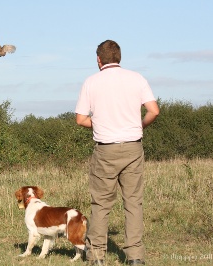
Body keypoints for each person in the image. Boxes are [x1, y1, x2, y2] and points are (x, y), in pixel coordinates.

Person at [75, 40, 159, 266]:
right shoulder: (137, 78)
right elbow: (154, 111)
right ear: (119, 57)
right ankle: (135, 257)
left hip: (105, 150)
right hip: (133, 147)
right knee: (133, 203)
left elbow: (80, 119)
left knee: (101, 204)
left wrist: (102, 123)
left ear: (98, 59)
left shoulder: (91, 82)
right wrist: (138, 125)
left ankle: (96, 257)